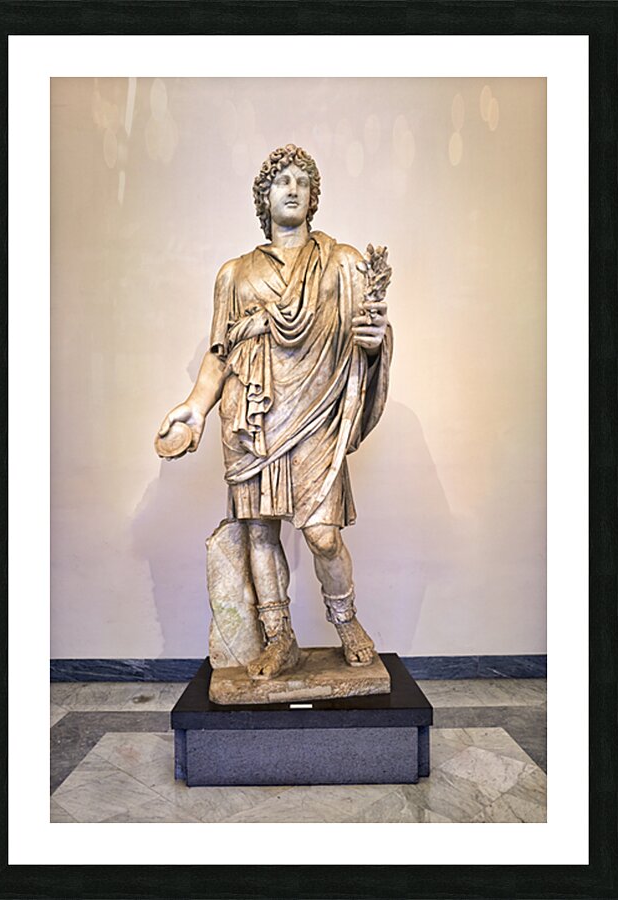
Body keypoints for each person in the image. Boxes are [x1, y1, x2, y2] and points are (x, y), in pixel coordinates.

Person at [158, 144, 392, 680]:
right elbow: (220, 356)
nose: (292, 188)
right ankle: (278, 636)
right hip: (252, 416)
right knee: (260, 531)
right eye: (280, 180)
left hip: (314, 415)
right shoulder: (234, 274)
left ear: (313, 198)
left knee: (323, 534)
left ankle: (348, 622)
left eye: (302, 181)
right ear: (263, 198)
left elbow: (369, 337)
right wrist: (195, 407)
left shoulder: (345, 263)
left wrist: (377, 340)